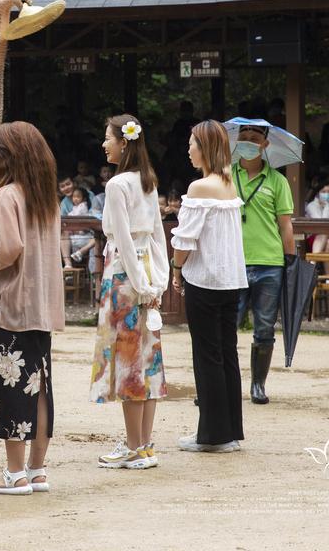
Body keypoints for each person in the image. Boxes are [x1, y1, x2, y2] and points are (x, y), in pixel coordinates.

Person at [0, 122, 64, 495]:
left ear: (7, 157)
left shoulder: (6, 196)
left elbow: (10, 248)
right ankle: (36, 469)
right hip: (41, 304)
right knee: (38, 385)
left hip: (10, 303)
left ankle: (14, 472)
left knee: (10, 385)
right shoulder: (46, 196)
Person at [90, 114, 168, 470]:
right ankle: (144, 445)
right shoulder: (147, 181)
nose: (104, 144)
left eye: (108, 138)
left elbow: (120, 238)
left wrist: (139, 285)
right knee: (147, 361)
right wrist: (158, 283)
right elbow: (157, 236)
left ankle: (135, 446)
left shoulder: (117, 184)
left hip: (124, 276)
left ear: (123, 142)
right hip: (147, 272)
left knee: (128, 363)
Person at [170, 120, 247, 453]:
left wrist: (176, 267)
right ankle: (229, 432)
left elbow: (185, 239)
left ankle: (213, 435)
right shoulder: (230, 183)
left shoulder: (200, 188)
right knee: (226, 353)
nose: (188, 150)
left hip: (205, 280)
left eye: (192, 144)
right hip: (230, 280)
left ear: (206, 148)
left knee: (207, 357)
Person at [230, 121, 295, 406]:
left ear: (265, 144)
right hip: (232, 263)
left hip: (270, 263)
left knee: (265, 326)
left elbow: (285, 225)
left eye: (254, 137)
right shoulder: (224, 176)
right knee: (226, 326)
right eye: (243, 137)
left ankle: (258, 384)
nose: (248, 141)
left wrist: (290, 261)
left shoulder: (277, 181)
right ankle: (223, 383)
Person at [304, 183, 329, 253]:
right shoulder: (311, 206)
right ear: (318, 193)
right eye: (323, 192)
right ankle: (313, 261)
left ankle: (313, 262)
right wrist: (327, 206)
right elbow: (321, 225)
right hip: (314, 237)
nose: (327, 194)